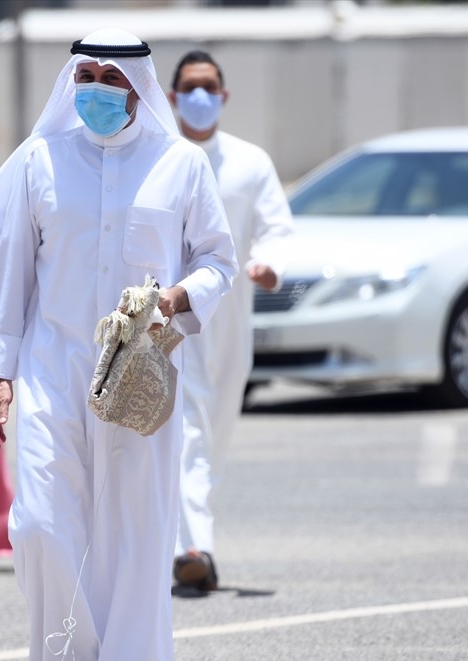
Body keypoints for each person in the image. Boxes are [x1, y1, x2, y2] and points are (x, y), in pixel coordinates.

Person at [0, 29, 237, 660]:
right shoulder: (39, 159)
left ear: (139, 86)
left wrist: (178, 297)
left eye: (109, 78)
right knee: (40, 527)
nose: (93, 90)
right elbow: (10, 276)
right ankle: (68, 652)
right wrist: (1, 373)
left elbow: (218, 262)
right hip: (48, 369)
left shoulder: (180, 164)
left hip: (138, 374)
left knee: (136, 534)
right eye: (84, 78)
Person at [168, 50, 294, 591]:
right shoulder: (159, 160)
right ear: (171, 96)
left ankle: (182, 540)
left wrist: (270, 265)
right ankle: (194, 549)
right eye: (190, 86)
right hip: (175, 323)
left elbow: (277, 229)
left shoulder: (249, 162)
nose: (200, 95)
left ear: (224, 95)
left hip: (232, 325)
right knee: (188, 435)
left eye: (209, 86)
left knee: (214, 437)